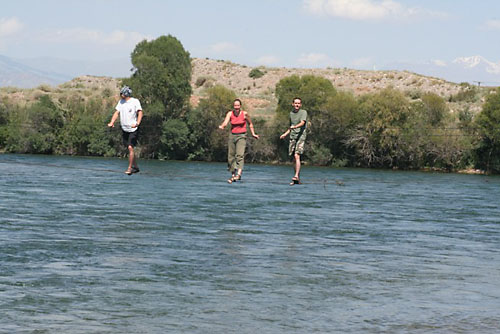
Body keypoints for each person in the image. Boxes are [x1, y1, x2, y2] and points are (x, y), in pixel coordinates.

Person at [219, 99, 259, 183]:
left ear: (240, 106)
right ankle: (233, 175)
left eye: (238, 105)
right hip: (232, 135)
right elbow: (225, 122)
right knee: (231, 156)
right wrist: (222, 126)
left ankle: (239, 174)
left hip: (242, 136)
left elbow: (250, 124)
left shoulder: (244, 114)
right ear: (233, 106)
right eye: (235, 106)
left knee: (239, 155)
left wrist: (253, 134)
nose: (236, 107)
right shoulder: (230, 114)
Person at [107, 86, 144, 175]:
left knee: (130, 147)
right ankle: (136, 167)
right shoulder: (121, 102)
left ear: (125, 94)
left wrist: (137, 123)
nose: (120, 95)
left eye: (122, 93)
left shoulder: (135, 101)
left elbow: (140, 112)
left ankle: (130, 168)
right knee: (129, 149)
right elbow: (116, 112)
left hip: (133, 129)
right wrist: (112, 122)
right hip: (125, 129)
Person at [280, 97, 308, 185]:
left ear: (301, 104)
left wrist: (295, 127)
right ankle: (297, 178)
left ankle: (296, 175)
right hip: (293, 136)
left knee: (297, 155)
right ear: (292, 104)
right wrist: (285, 134)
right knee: (293, 158)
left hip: (301, 136)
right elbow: (290, 126)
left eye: (299, 103)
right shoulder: (291, 114)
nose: (297, 105)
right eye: (295, 103)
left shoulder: (303, 112)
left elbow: (302, 123)